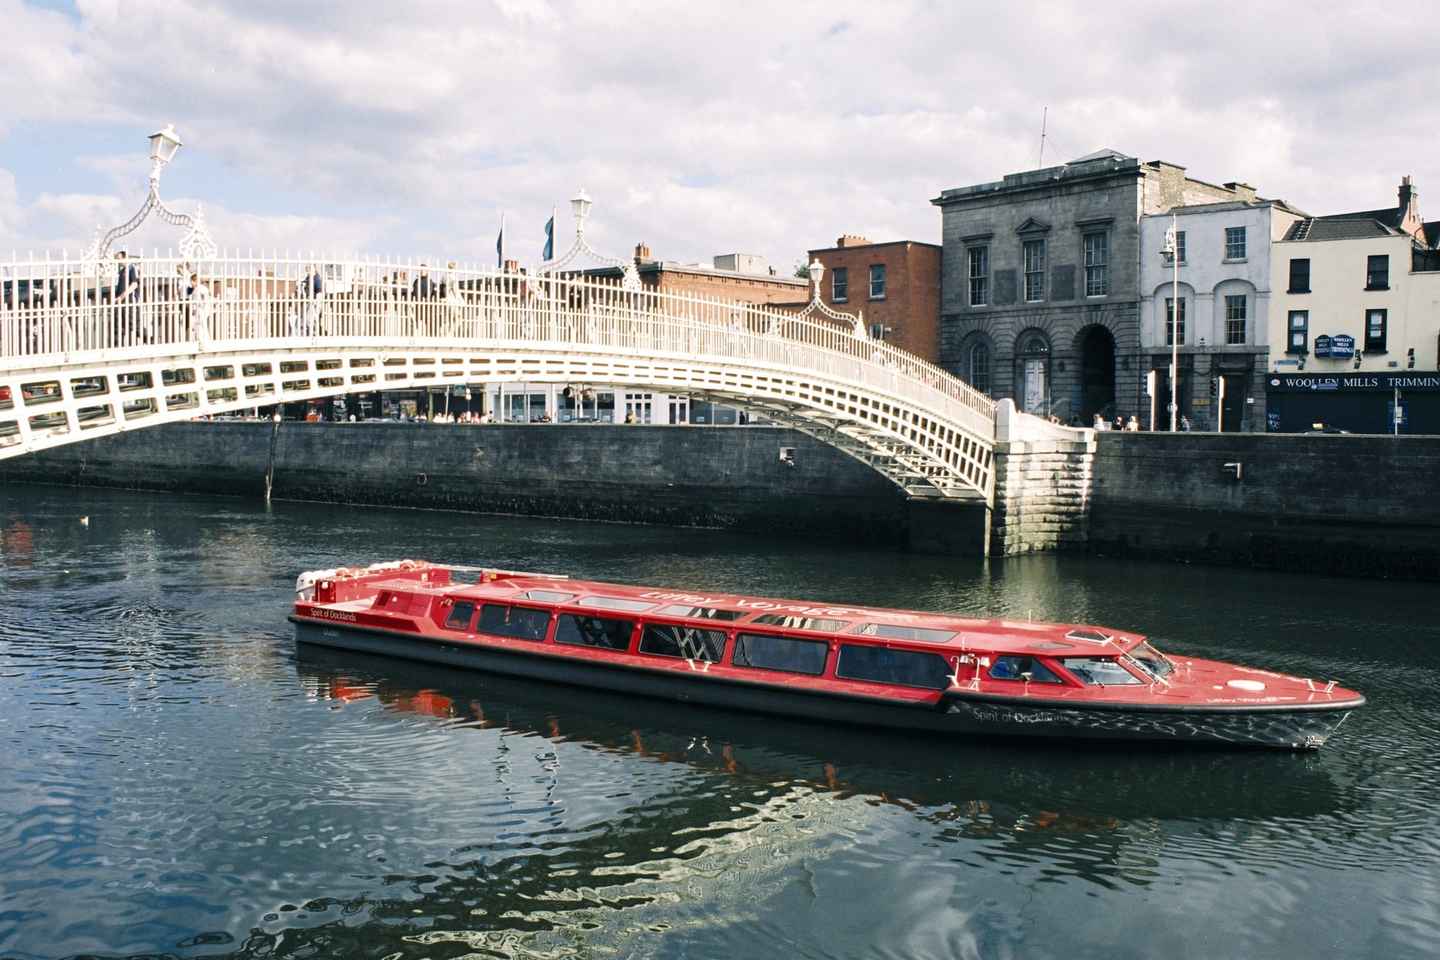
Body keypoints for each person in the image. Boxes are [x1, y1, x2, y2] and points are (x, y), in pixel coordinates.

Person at [114, 250, 141, 343]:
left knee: (133, 325)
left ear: (125, 258)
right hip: (120, 301)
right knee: (118, 325)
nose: (118, 261)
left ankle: (149, 340)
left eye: (119, 259)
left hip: (130, 301)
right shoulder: (121, 271)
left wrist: (122, 296)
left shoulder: (131, 268)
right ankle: (117, 345)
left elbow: (134, 285)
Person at [187, 271, 212, 347]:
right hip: (199, 310)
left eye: (192, 281)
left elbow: (206, 299)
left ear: (195, 281)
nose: (191, 284)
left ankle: (203, 342)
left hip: (201, 310)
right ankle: (201, 341)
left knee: (201, 326)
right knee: (199, 326)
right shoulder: (198, 289)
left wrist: (205, 309)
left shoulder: (201, 289)